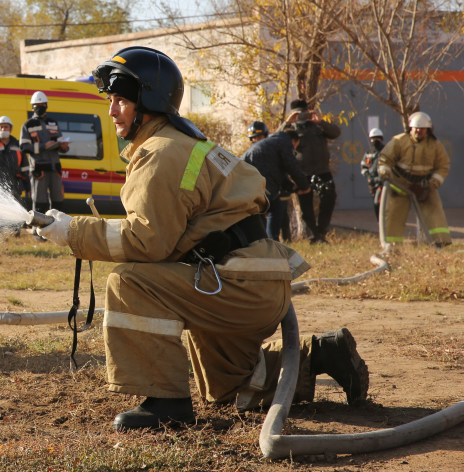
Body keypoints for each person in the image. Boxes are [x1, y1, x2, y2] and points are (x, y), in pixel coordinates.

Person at [36, 46, 368, 430]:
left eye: (122, 101)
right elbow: (165, 227)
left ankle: (166, 402)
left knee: (129, 283)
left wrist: (71, 232)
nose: (112, 111)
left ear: (150, 102)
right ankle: (326, 353)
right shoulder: (183, 143)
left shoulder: (160, 153)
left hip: (235, 282)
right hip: (246, 279)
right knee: (230, 387)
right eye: (111, 100)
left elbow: (147, 241)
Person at [377, 112, 452, 247]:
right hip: (398, 184)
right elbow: (384, 158)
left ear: (428, 129)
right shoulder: (399, 141)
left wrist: (430, 185)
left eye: (422, 128)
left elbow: (443, 166)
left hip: (424, 186)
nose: (419, 130)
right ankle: (392, 246)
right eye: (416, 128)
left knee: (435, 210)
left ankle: (439, 243)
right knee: (394, 215)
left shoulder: (435, 145)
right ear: (410, 128)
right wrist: (384, 174)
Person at [277, 100, 342, 244]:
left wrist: (321, 122)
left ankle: (321, 232)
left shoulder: (316, 126)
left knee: (329, 199)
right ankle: (314, 237)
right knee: (306, 207)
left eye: (304, 113)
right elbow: (274, 139)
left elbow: (336, 132)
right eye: (298, 114)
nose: (302, 117)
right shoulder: (290, 130)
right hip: (302, 173)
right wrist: (287, 122)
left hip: (322, 171)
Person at [242, 126, 311, 240]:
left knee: (259, 211)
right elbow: (292, 167)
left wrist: (293, 188)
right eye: (295, 147)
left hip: (246, 180)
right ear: (293, 141)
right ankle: (271, 242)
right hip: (258, 178)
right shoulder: (285, 143)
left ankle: (260, 243)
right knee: (275, 207)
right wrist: (305, 187)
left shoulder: (272, 142)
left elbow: (279, 172)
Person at [19, 92, 70, 213]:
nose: (40, 106)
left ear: (46, 106)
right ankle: (38, 231)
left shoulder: (53, 123)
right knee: (39, 202)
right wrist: (43, 146)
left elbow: (61, 144)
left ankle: (56, 229)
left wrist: (64, 147)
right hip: (39, 169)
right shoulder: (27, 125)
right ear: (32, 107)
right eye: (37, 104)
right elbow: (24, 147)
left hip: (54, 168)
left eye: (42, 104)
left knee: (58, 202)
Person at [360, 128, 385, 219]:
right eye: (373, 138)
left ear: (381, 139)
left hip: (382, 183)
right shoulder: (368, 152)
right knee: (375, 204)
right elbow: (363, 166)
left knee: (378, 203)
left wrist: (381, 178)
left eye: (377, 138)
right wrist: (368, 176)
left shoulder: (386, 151)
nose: (375, 140)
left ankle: (383, 223)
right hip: (372, 184)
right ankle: (380, 224)